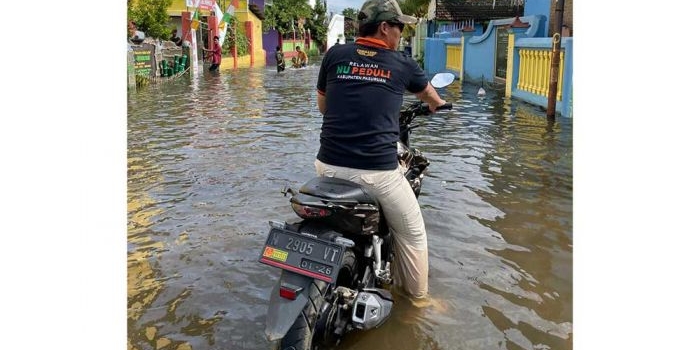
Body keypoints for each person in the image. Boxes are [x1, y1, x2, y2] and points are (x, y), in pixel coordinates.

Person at [314, 0, 447, 301]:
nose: (401, 33)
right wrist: (437, 104)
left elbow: (323, 107)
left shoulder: (334, 55)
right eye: (399, 26)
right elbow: (430, 95)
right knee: (413, 234)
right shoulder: (401, 63)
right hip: (376, 174)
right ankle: (418, 302)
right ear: (385, 27)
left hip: (326, 166)